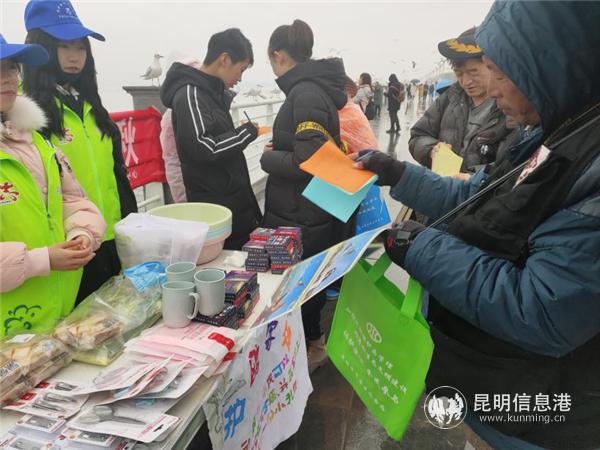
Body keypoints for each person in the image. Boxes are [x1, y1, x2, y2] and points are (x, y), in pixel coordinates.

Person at [352, 1, 600, 448]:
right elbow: (479, 195)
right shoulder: (554, 132)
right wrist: (398, 174)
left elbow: (542, 310)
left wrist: (422, 247)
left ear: (555, 68)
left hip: (539, 418)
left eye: (500, 74)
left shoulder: (587, 159)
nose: (492, 90)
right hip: (489, 387)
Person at [22, 0, 137, 303]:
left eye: (80, 48)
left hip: (112, 239)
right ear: (42, 48)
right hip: (71, 249)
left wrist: (131, 223)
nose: (75, 57)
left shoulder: (92, 108)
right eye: (64, 47)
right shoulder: (30, 117)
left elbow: (117, 176)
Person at [261, 19, 352, 373]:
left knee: (303, 287)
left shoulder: (306, 93)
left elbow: (311, 160)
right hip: (308, 208)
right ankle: (309, 344)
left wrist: (269, 157)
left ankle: (312, 347)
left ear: (278, 55)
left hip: (302, 211)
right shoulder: (311, 90)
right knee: (306, 283)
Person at [0, 34, 106, 336]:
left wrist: (82, 233)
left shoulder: (35, 139)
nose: (8, 77)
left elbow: (73, 200)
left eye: (11, 67)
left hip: (54, 317)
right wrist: (41, 260)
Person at [160, 29, 261, 250]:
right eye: (240, 70)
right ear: (224, 59)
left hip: (232, 203)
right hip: (216, 208)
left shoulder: (211, 93)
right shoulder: (190, 94)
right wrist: (245, 133)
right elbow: (203, 147)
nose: (240, 79)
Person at [409, 27, 512, 172]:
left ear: (492, 65)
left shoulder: (512, 107)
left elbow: (512, 166)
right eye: (459, 73)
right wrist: (432, 150)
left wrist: (474, 178)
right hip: (442, 187)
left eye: (473, 72)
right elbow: (418, 135)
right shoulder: (450, 97)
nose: (465, 82)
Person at [339, 76, 378, 154]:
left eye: (360, 78)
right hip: (361, 112)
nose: (359, 79)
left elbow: (356, 99)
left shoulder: (362, 90)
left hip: (356, 112)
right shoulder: (369, 89)